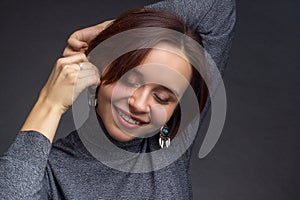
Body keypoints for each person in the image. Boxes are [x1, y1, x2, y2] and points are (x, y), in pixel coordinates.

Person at [0, 0, 236, 199]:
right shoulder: (52, 170)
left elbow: (218, 6)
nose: (139, 104)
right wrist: (49, 103)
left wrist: (116, 29)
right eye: (130, 80)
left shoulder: (171, 146)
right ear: (100, 69)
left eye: (162, 97)